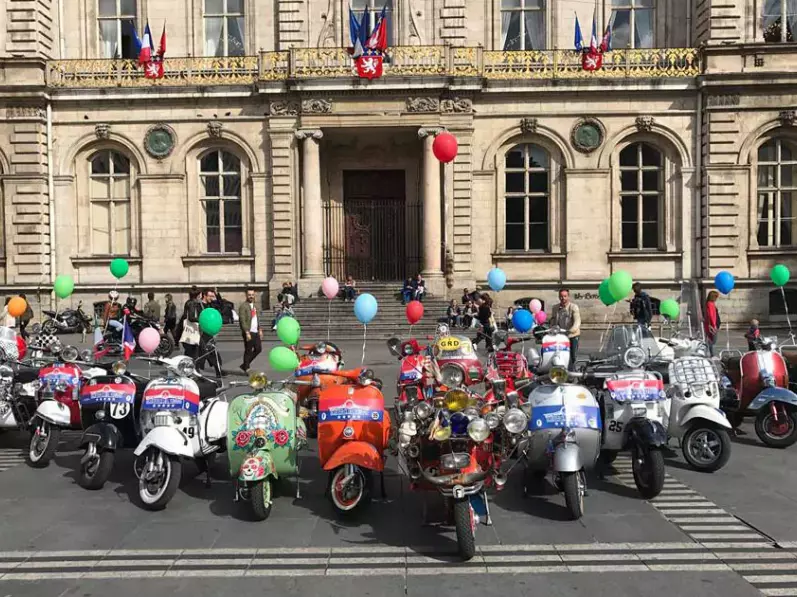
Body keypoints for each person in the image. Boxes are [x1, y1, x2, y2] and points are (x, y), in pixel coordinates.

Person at [550, 288, 581, 368]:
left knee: (573, 355)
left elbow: (577, 321)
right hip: (560, 336)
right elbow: (553, 320)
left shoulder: (573, 307)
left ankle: (573, 371)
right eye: (561, 296)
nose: (563, 298)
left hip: (572, 335)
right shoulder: (555, 308)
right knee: (558, 354)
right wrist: (551, 328)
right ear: (558, 297)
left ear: (568, 297)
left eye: (565, 296)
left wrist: (571, 330)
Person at [196, 288, 223, 377]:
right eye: (210, 296)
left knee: (213, 352)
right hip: (201, 333)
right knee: (203, 353)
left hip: (209, 333)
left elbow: (219, 309)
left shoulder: (211, 306)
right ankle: (197, 370)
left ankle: (218, 371)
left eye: (213, 296)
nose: (212, 298)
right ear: (205, 296)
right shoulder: (198, 306)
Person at [239, 288, 262, 373]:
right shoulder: (243, 306)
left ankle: (245, 364)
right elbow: (242, 320)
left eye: (252, 295)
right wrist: (247, 332)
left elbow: (256, 319)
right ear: (246, 295)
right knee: (248, 350)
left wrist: (260, 329)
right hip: (248, 332)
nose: (251, 296)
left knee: (258, 349)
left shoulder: (255, 305)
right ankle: (247, 367)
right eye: (249, 295)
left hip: (255, 331)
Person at [180, 289, 203, 360]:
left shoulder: (189, 302)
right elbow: (191, 317)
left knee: (189, 352)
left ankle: (186, 368)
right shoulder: (192, 304)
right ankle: (192, 368)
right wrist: (200, 320)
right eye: (200, 295)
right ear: (198, 296)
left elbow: (185, 316)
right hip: (192, 331)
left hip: (188, 330)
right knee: (194, 353)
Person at [704, 290, 720, 357]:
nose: (716, 298)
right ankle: (711, 354)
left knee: (711, 340)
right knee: (712, 341)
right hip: (712, 325)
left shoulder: (710, 303)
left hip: (713, 324)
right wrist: (714, 325)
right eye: (716, 297)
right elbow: (711, 315)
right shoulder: (710, 304)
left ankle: (711, 354)